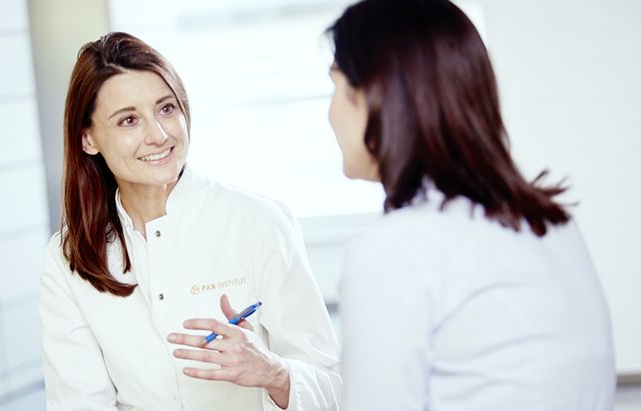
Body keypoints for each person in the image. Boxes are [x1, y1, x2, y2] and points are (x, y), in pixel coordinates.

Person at [325, 1, 615, 410]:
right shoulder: (551, 224)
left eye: (336, 87)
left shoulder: (395, 249)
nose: (330, 113)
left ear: (377, 96)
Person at [39, 32, 340, 411]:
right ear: (87, 139)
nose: (158, 135)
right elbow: (78, 402)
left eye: (166, 109)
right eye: (129, 120)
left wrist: (273, 373)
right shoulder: (69, 257)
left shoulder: (257, 222)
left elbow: (332, 386)